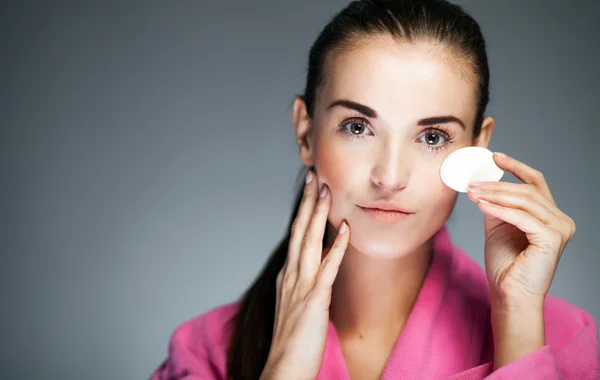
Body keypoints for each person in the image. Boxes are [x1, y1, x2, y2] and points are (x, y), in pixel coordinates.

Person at [150, 0, 599, 379]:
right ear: (306, 133)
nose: (389, 176)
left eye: (432, 137)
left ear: (478, 147)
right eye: (358, 126)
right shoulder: (206, 350)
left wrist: (517, 323)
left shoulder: (560, 339)